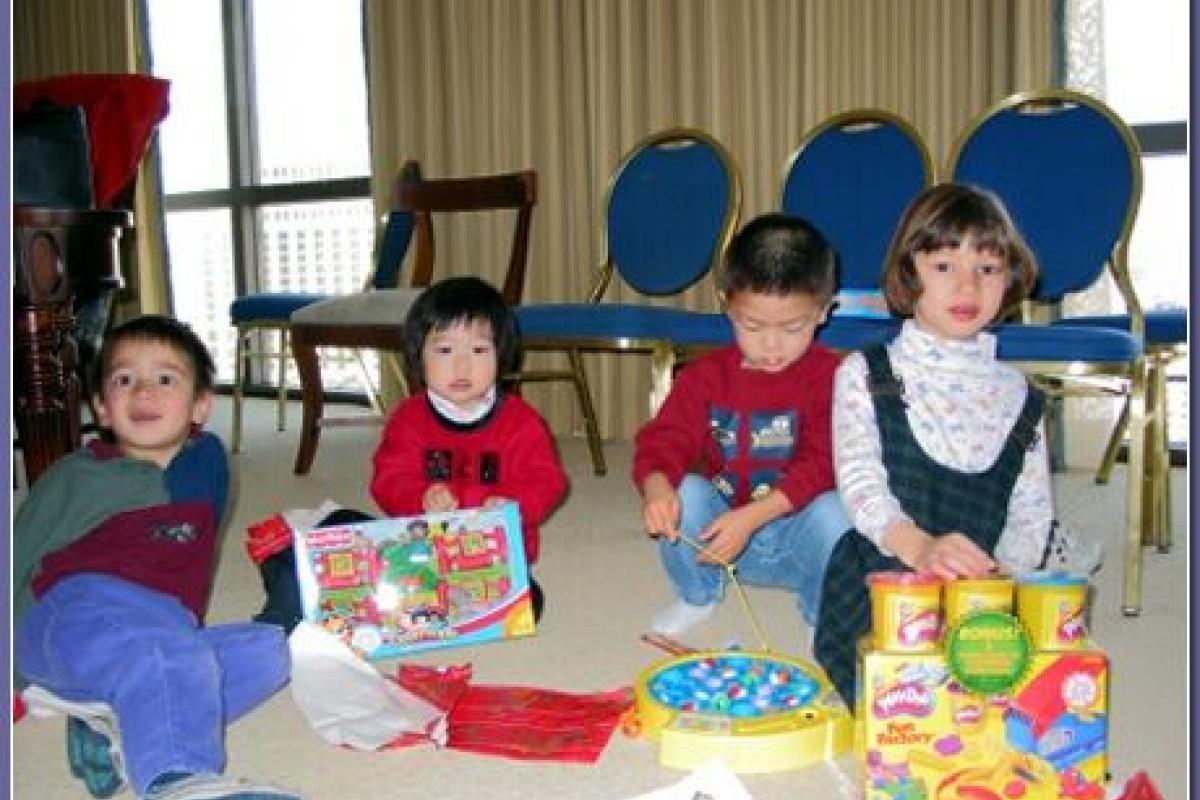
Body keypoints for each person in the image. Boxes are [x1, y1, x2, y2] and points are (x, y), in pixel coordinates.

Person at [816, 182, 1104, 705]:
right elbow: (861, 487)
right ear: (909, 273)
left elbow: (1030, 516)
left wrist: (993, 601)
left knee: (1012, 711)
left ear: (1009, 278)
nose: (967, 285)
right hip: (888, 582)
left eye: (988, 268)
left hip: (982, 600)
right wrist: (920, 548)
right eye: (944, 266)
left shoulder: (1022, 398)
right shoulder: (866, 372)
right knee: (894, 713)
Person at [13, 316, 300, 800]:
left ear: (201, 405)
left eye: (165, 379)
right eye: (124, 380)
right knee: (167, 656)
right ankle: (179, 779)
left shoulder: (204, 464)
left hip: (153, 628)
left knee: (272, 651)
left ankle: (118, 725)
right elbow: (18, 550)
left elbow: (190, 556)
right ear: (102, 407)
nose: (143, 392)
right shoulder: (78, 474)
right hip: (73, 613)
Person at [633, 213, 854, 640]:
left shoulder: (834, 377)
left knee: (838, 512)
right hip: (719, 545)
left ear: (825, 312)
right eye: (752, 326)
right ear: (727, 305)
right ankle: (697, 596)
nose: (771, 345)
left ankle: (820, 609)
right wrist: (656, 485)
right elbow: (664, 439)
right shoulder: (704, 378)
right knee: (684, 491)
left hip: (798, 540)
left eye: (793, 327)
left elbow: (825, 462)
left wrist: (753, 517)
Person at [370, 275, 568, 621]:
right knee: (366, 571)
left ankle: (458, 608)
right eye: (444, 350)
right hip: (423, 550)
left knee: (526, 605)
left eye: (478, 350)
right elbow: (388, 479)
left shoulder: (520, 421)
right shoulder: (409, 418)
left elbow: (548, 480)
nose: (462, 366)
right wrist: (420, 498)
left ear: (501, 355)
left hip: (496, 556)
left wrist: (515, 505)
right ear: (418, 355)